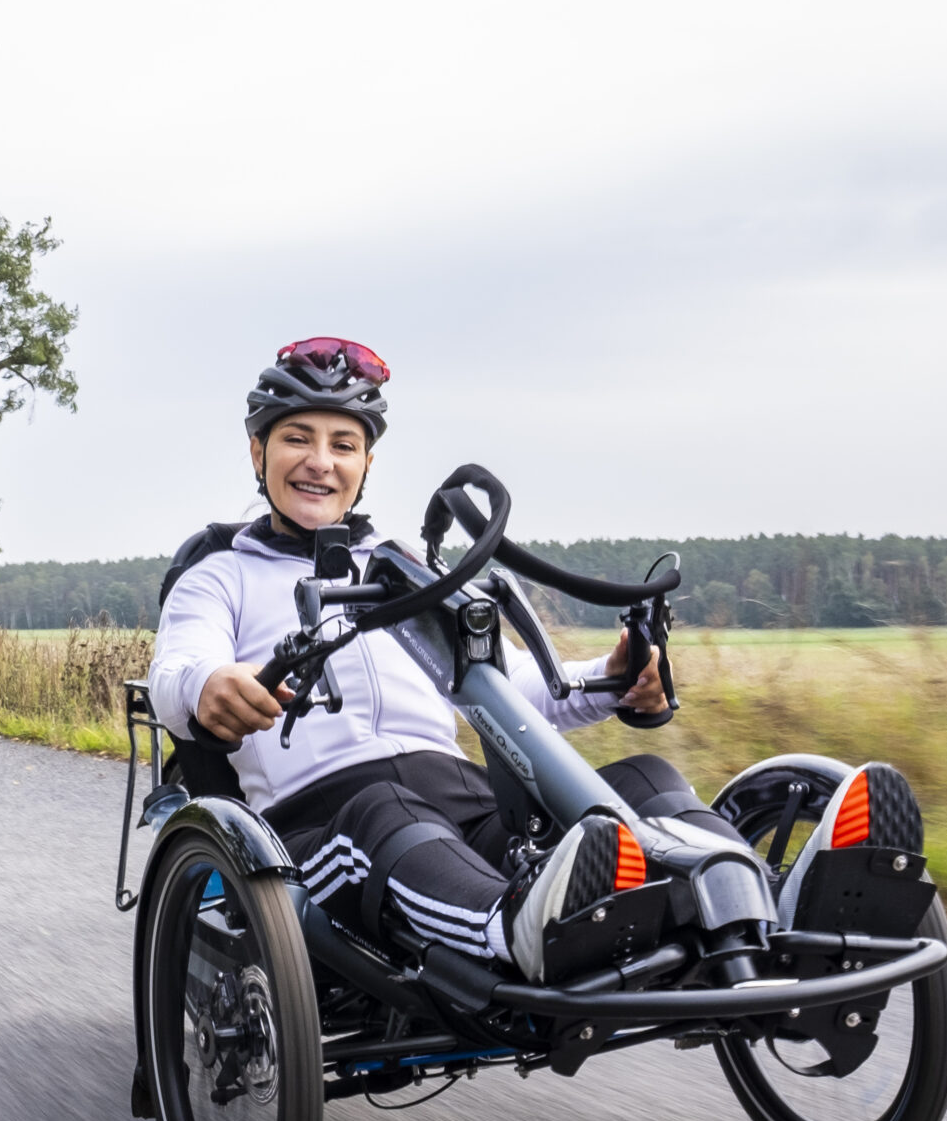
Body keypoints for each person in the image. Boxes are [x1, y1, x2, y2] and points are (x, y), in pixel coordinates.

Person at [146, 337, 759, 986]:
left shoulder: (405, 571)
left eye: (343, 445)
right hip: (319, 828)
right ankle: (515, 931)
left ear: (367, 464)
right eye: (298, 438)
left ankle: (756, 909)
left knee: (645, 780)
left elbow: (509, 684)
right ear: (257, 452)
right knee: (386, 813)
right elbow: (178, 668)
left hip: (456, 802)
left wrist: (615, 680)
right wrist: (211, 683)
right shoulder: (220, 577)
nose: (320, 463)